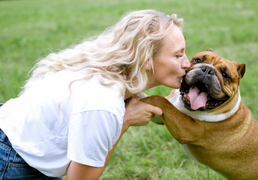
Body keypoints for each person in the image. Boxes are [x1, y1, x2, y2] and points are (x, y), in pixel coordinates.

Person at [0, 9, 190, 180]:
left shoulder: (104, 69)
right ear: (147, 60)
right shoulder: (103, 103)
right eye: (178, 55)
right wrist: (124, 121)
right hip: (11, 160)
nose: (187, 64)